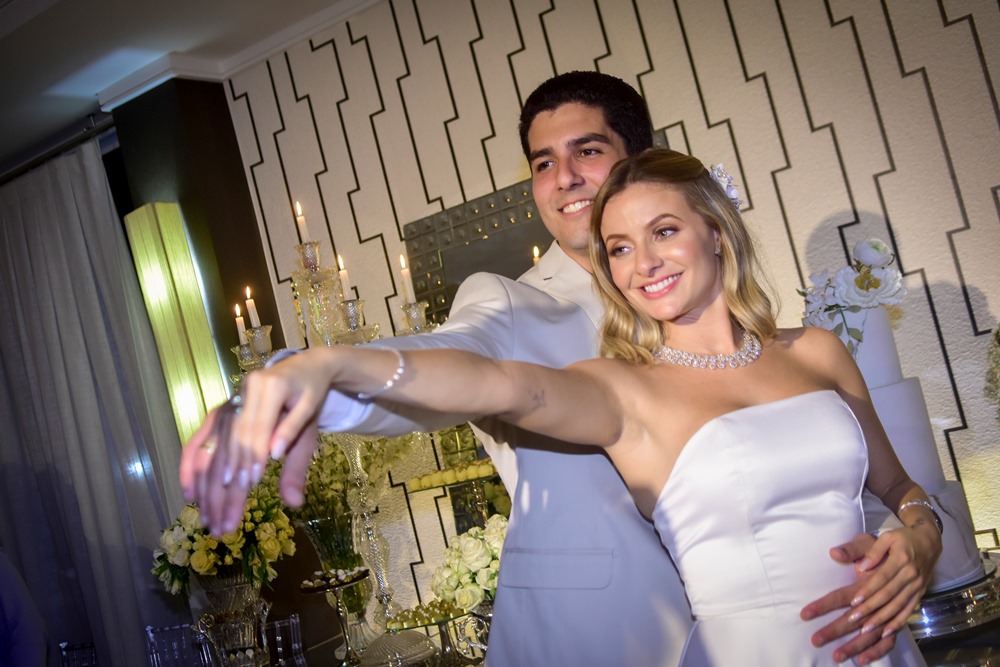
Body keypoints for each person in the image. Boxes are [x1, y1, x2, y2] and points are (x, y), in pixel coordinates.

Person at [182, 73, 932, 665]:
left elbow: (874, 485)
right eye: (544, 163)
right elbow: (475, 372)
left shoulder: (804, 350)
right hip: (597, 637)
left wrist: (917, 538)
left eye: (587, 152)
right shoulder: (514, 307)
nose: (565, 177)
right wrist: (319, 371)